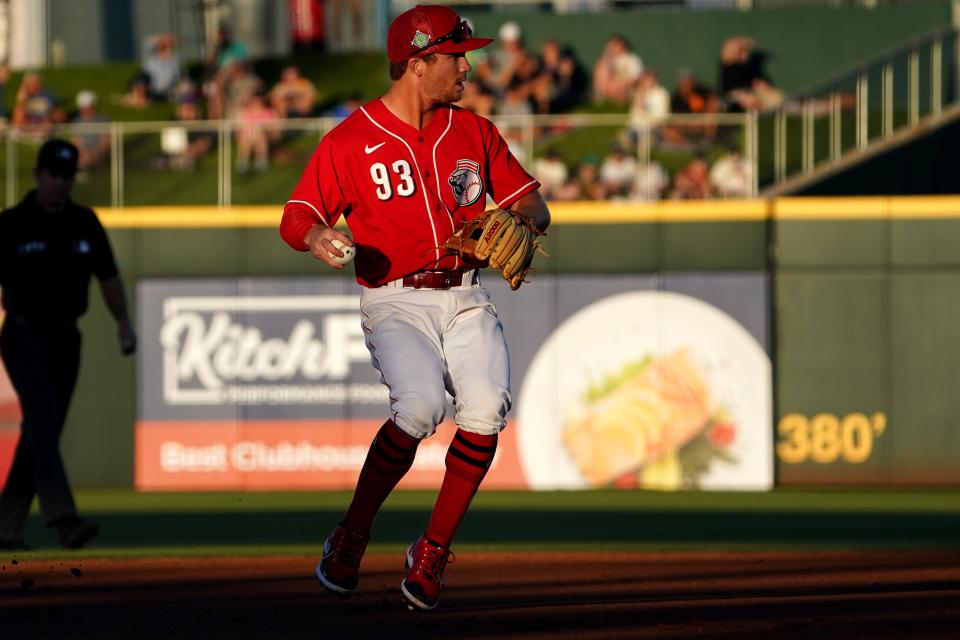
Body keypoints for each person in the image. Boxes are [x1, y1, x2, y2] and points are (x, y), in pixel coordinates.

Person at [279, 5, 549, 611]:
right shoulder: (351, 139)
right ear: (420, 62)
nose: (468, 66)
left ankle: (432, 551)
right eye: (456, 56)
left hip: (466, 295)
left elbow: (536, 206)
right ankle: (351, 533)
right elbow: (297, 213)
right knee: (422, 406)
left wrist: (519, 220)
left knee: (484, 410)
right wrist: (318, 236)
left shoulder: (474, 132)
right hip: (395, 300)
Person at [0, 139, 137, 551]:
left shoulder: (84, 221)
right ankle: (63, 518)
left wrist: (124, 325)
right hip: (23, 335)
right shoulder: (12, 222)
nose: (60, 183)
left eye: (67, 175)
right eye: (54, 175)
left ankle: (6, 526)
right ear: (39, 175)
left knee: (43, 431)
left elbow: (108, 278)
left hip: (65, 339)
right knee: (42, 423)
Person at [70, 91, 110, 172]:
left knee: (85, 159)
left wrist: (96, 152)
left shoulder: (102, 120)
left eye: (87, 107)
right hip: (83, 153)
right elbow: (76, 141)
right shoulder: (77, 121)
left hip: (98, 152)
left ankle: (83, 172)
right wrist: (83, 152)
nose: (85, 110)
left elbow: (106, 140)